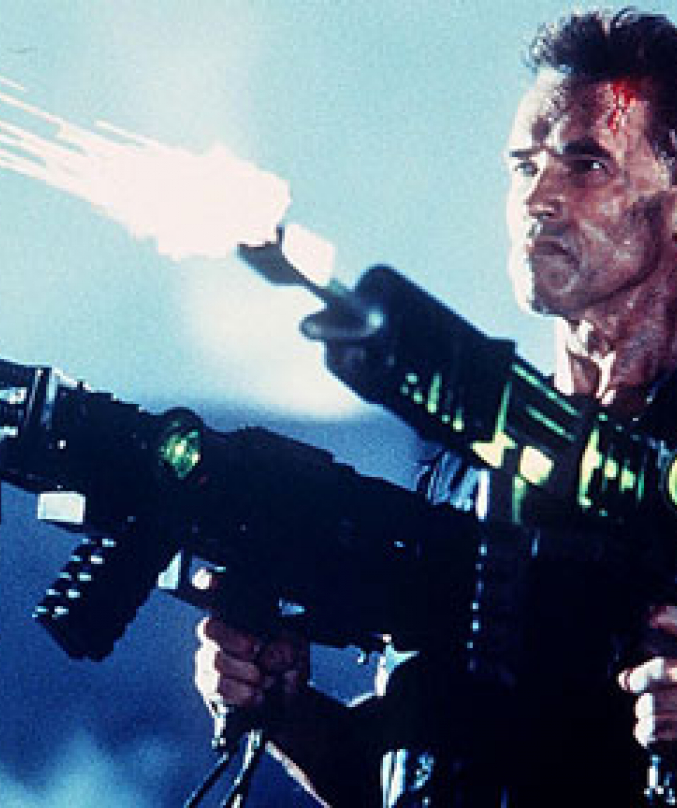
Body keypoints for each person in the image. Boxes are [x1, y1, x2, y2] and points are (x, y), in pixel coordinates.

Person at [194, 9, 677, 806]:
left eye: (586, 163)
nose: (538, 198)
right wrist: (281, 710)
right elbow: (408, 767)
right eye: (522, 167)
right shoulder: (471, 460)